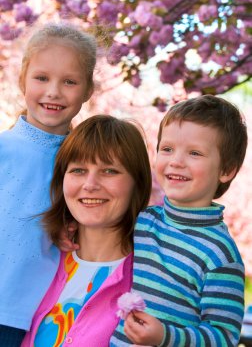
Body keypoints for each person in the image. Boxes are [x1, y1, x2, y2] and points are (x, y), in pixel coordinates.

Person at [111, 95, 248, 347]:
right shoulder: (142, 222)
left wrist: (166, 336)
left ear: (226, 170)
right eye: (167, 149)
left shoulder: (219, 254)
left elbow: (224, 336)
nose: (176, 161)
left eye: (194, 153)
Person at [0, 22, 97, 346]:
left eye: (69, 82)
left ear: (87, 90)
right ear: (22, 80)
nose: (54, 91)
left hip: (42, 315)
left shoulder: (84, 163)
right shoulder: (3, 149)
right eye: (42, 78)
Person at [21, 114, 152, 347]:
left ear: (138, 183)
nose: (90, 185)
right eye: (78, 170)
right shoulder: (37, 256)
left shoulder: (152, 279)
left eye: (110, 171)